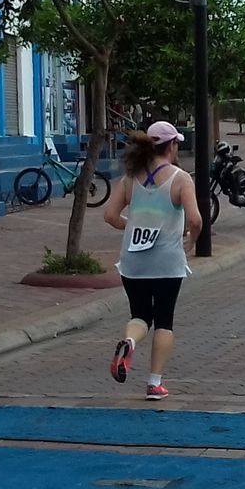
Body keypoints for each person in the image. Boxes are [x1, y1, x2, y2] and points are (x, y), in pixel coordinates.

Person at [104, 121, 201, 401]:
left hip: (133, 262)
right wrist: (192, 241)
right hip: (167, 261)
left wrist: (134, 226)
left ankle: (130, 340)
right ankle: (154, 383)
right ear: (171, 146)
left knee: (140, 316)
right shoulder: (181, 178)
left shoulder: (130, 178)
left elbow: (110, 216)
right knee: (164, 321)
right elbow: (195, 219)